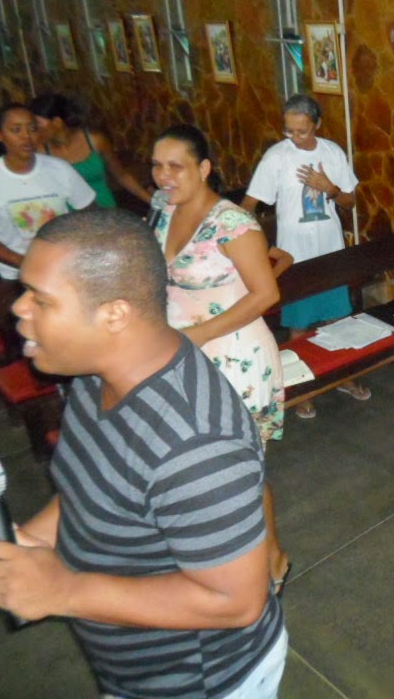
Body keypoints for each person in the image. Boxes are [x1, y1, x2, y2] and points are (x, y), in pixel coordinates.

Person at [0, 209, 286, 698]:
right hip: (129, 669)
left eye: (41, 299)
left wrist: (63, 591)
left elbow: (237, 602)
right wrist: (26, 546)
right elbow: (97, 489)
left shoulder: (195, 445)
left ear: (114, 314)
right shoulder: (97, 375)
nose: (19, 309)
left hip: (200, 682)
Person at [150, 123, 292, 596]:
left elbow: (265, 293)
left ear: (204, 168)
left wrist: (197, 335)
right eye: (157, 166)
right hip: (176, 357)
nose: (164, 176)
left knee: (239, 470)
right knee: (191, 468)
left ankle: (272, 560)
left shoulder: (233, 223)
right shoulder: (161, 208)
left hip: (233, 358)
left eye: (176, 166)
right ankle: (214, 559)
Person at [242, 94, 368, 417]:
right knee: (299, 325)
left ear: (317, 124)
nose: (295, 138)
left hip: (329, 253)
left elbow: (350, 202)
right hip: (295, 256)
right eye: (289, 131)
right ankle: (301, 389)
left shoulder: (332, 152)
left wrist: (330, 188)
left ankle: (342, 376)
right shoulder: (277, 157)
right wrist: (256, 244)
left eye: (302, 131)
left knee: (337, 320)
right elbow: (249, 206)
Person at [0, 102, 95, 281]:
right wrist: (26, 263)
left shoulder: (59, 168)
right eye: (16, 130)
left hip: (64, 268)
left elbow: (91, 213)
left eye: (32, 129)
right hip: (16, 274)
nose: (26, 136)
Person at [29, 92, 153, 209]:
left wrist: (151, 201)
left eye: (37, 124)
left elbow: (121, 175)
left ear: (57, 122)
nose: (33, 130)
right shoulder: (40, 152)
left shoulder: (94, 141)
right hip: (69, 218)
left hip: (105, 210)